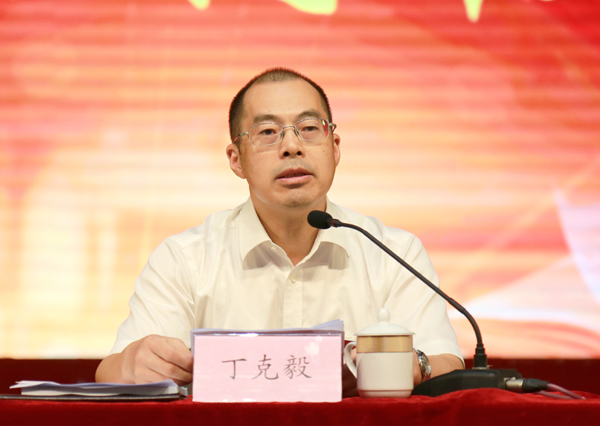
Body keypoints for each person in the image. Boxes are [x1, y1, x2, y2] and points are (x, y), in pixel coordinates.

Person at [95, 68, 464, 394]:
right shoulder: (184, 259)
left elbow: (446, 360)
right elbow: (111, 373)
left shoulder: (393, 251)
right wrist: (132, 365)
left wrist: (415, 365)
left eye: (309, 129)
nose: (291, 147)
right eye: (268, 132)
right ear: (236, 159)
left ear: (334, 147)